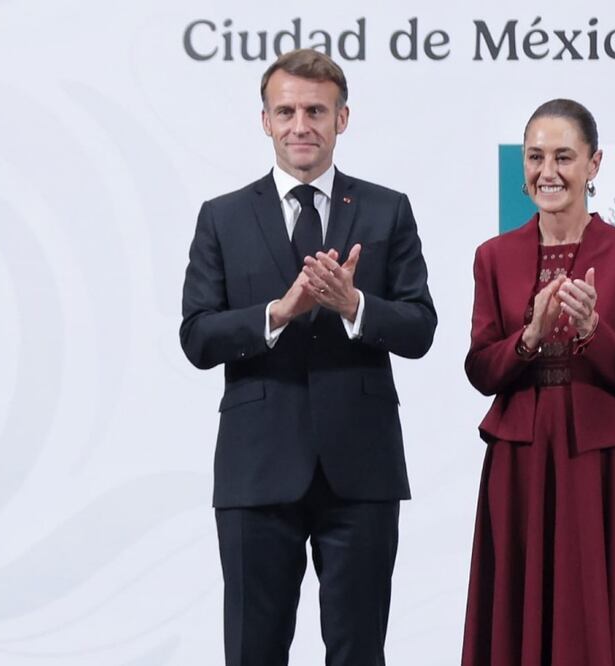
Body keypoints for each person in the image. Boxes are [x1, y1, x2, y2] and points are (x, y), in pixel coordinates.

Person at [180, 48, 435, 666]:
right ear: (264, 120)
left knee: (358, 652)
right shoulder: (223, 217)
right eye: (286, 110)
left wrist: (355, 306)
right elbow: (198, 336)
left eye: (316, 111)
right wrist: (276, 313)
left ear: (342, 118)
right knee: (253, 651)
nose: (302, 125)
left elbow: (420, 327)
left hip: (361, 469)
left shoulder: (386, 208)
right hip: (257, 469)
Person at [462, 99, 615, 665]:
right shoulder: (493, 256)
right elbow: (481, 370)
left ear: (594, 163)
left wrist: (592, 329)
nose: (547, 172)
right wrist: (528, 337)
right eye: (535, 157)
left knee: (605, 616)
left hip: (602, 463)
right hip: (521, 461)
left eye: (564, 156)